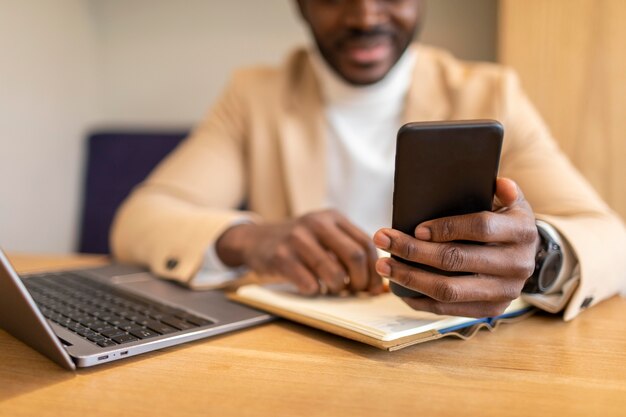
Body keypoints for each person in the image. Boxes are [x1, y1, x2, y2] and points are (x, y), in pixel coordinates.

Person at [111, 0, 626, 320]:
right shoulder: (254, 95)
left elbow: (612, 238)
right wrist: (248, 238)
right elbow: (141, 218)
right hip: (302, 354)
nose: (365, 15)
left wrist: (538, 257)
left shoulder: (491, 92)